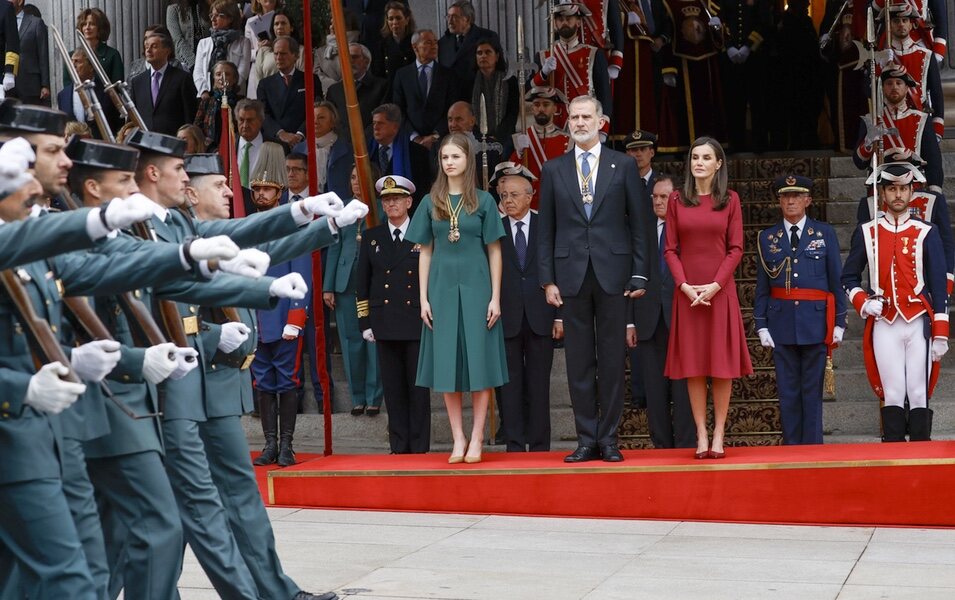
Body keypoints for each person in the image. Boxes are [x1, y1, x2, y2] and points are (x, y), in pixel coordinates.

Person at [538, 96, 649, 463]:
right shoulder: (554, 169)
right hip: (570, 275)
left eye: (587, 116)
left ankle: (610, 438)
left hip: (614, 274)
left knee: (614, 359)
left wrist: (639, 271)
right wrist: (547, 279)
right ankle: (586, 438)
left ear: (601, 121)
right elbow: (546, 230)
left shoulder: (623, 166)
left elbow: (639, 223)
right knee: (579, 361)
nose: (580, 122)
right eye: (574, 117)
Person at [406, 132, 507, 464]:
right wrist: (423, 298)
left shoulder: (484, 200)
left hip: (478, 288)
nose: (449, 163)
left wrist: (496, 297)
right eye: (444, 158)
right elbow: (424, 252)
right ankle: (458, 437)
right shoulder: (428, 201)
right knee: (447, 365)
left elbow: (494, 251)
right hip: (441, 288)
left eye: (455, 157)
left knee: (479, 363)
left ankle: (477, 436)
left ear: (468, 160)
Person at [842, 162, 949, 442]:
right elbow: (848, 277)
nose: (898, 195)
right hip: (884, 321)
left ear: (912, 192)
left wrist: (941, 332)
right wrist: (864, 302)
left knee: (918, 391)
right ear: (883, 193)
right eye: (892, 189)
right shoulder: (868, 231)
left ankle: (920, 459)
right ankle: (892, 459)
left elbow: (939, 285)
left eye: (903, 188)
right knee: (891, 392)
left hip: (918, 322)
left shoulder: (927, 231)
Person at [663, 136, 752, 459]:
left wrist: (715, 285)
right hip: (687, 294)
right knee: (695, 366)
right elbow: (670, 248)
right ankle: (701, 434)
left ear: (718, 164)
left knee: (721, 366)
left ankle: (719, 433)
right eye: (694, 157)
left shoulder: (730, 200)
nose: (698, 162)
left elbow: (736, 248)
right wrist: (684, 286)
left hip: (719, 292)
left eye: (705, 157)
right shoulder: (676, 200)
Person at [754, 175, 846, 445]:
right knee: (788, 392)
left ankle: (813, 450)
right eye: (785, 196)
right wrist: (761, 324)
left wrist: (839, 323)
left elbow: (835, 280)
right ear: (779, 200)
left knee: (811, 393)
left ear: (808, 200)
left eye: (796, 196)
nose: (790, 201)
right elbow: (762, 285)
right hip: (781, 323)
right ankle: (791, 451)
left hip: (816, 324)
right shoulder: (768, 237)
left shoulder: (824, 233)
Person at [356, 175, 432, 453]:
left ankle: (420, 446)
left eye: (397, 199)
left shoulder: (424, 234)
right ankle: (399, 446)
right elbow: (361, 282)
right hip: (384, 322)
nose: (392, 204)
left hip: (416, 321)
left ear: (409, 202)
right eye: (387, 200)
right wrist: (365, 322)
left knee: (418, 389)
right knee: (394, 390)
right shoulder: (372, 237)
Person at [493, 162, 559, 452]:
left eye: (515, 195)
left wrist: (560, 315)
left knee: (538, 385)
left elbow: (560, 271)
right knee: (510, 387)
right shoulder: (493, 229)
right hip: (505, 317)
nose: (508, 201)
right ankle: (515, 445)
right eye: (504, 195)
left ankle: (541, 445)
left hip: (541, 315)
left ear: (530, 195)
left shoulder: (547, 225)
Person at [629, 175, 694, 448]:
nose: (657, 201)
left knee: (684, 389)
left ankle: (687, 445)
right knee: (654, 391)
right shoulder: (641, 231)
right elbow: (629, 276)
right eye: (654, 197)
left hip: (682, 320)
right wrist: (629, 321)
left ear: (676, 198)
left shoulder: (689, 230)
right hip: (648, 321)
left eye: (663, 197)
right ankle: (661, 448)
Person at [325, 165, 383, 416]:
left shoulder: (382, 207)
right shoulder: (343, 208)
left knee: (374, 341)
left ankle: (374, 397)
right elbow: (334, 246)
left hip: (374, 282)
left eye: (361, 176)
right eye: (352, 177)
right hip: (345, 281)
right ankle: (357, 397)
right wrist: (328, 286)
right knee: (351, 340)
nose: (356, 181)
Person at [853, 63, 943, 191]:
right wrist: (869, 142)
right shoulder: (871, 119)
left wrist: (935, 191)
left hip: (914, 188)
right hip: (881, 190)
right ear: (883, 88)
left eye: (899, 83)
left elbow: (933, 160)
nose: (894, 87)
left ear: (907, 88)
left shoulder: (922, 119)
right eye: (889, 83)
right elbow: (859, 163)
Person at [531, 2, 612, 130]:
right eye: (560, 20)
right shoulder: (543, 55)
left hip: (585, 120)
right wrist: (544, 73)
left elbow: (604, 95)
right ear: (555, 24)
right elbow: (532, 91)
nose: (564, 23)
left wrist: (604, 128)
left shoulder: (594, 54)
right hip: (556, 122)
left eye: (569, 19)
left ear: (578, 22)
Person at [392, 29, 461, 151]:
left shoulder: (448, 75)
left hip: (441, 141)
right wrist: (414, 136)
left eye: (435, 42)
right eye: (428, 43)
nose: (434, 46)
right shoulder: (402, 75)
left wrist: (435, 135)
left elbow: (452, 107)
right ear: (415, 47)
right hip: (411, 142)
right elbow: (398, 110)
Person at [719, 0, 773, 152]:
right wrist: (728, 46)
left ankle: (759, 143)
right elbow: (720, 21)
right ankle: (735, 142)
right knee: (733, 102)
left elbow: (764, 23)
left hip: (755, 58)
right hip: (730, 58)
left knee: (758, 101)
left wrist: (748, 47)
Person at [257, 36, 323, 151]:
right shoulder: (265, 84)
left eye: (283, 54)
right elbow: (263, 115)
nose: (278, 58)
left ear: (295, 56)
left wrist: (300, 134)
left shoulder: (310, 80)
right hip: (275, 144)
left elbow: (316, 110)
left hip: (305, 142)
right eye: (276, 54)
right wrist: (281, 133)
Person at [509, 87, 571, 208]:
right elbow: (511, 174)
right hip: (529, 205)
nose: (541, 109)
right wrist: (519, 153)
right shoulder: (520, 139)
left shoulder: (569, 140)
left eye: (546, 104)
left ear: (555, 108)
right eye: (536, 105)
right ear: (532, 108)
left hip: (558, 204)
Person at [613, 0, 668, 137]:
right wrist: (625, 19)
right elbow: (607, 20)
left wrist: (662, 38)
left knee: (652, 99)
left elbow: (667, 21)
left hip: (655, 56)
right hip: (629, 57)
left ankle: (652, 141)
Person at [129, 30, 199, 136]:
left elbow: (190, 114)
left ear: (167, 51)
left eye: (154, 46)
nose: (148, 50)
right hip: (145, 142)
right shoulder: (137, 82)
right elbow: (133, 117)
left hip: (173, 141)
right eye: (146, 46)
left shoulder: (182, 78)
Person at [367, 103, 432, 206]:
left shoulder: (418, 154)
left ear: (395, 127)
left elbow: (423, 191)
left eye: (381, 123)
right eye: (374, 123)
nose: (375, 127)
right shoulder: (366, 152)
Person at [438, 1, 501, 99]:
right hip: (451, 100)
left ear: (467, 19)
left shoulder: (487, 36)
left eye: (454, 17)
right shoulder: (443, 42)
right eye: (448, 16)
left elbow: (499, 68)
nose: (450, 21)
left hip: (479, 95)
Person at [194, 0, 252, 102]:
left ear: (230, 18)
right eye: (211, 15)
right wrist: (203, 91)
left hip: (234, 95)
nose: (213, 19)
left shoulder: (243, 42)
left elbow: (243, 71)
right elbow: (198, 72)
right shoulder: (203, 43)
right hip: (207, 96)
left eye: (218, 15)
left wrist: (228, 89)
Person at [325, 43, 389, 133]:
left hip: (373, 141)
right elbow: (331, 120)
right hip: (344, 142)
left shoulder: (382, 86)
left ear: (366, 61)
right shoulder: (334, 91)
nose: (350, 60)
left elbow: (385, 117)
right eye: (346, 57)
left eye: (354, 57)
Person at [471, 37, 518, 159]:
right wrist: (481, 137)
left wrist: (497, 136)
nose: (483, 56)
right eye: (479, 53)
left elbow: (512, 113)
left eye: (488, 52)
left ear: (497, 56)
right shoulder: (469, 82)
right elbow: (468, 113)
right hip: (476, 137)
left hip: (504, 136)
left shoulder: (509, 80)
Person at [250, 8, 305, 100]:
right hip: (269, 99)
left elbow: (303, 77)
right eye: (276, 24)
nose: (279, 27)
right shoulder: (264, 51)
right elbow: (258, 80)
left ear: (291, 27)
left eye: (283, 23)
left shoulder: (301, 50)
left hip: (294, 99)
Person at [194, 59, 241, 150]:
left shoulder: (241, 102)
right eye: (218, 74)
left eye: (227, 74)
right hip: (209, 149)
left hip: (234, 149)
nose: (222, 77)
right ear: (213, 78)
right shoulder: (206, 102)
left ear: (235, 79)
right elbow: (196, 128)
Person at [370, 1, 416, 89]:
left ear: (406, 20)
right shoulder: (381, 45)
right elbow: (377, 72)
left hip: (410, 88)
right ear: (387, 21)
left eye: (398, 18)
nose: (394, 22)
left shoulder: (415, 41)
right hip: (389, 89)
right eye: (391, 19)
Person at [10, 0, 49, 105]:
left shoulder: (35, 23)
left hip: (29, 85)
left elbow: (43, 55)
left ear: (20, 1)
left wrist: (45, 85)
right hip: (7, 85)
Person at [70, 8, 122, 85]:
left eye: (92, 24)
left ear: (100, 28)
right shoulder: (71, 56)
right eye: (84, 24)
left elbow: (117, 86)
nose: (87, 28)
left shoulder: (113, 55)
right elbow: (67, 88)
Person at [244, 0, 281, 98]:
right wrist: (258, 50)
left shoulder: (282, 19)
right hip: (257, 68)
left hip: (277, 66)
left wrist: (273, 45)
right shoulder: (250, 22)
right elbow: (246, 53)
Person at [167, 0, 211, 71]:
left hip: (207, 61)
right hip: (184, 64)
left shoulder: (208, 8)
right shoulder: (173, 10)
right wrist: (193, 63)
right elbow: (177, 39)